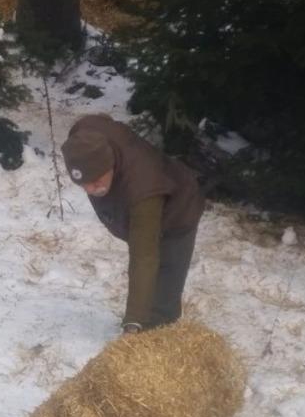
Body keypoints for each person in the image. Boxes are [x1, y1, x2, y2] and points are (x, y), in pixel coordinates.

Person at [61, 113, 204, 333]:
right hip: (137, 192)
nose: (90, 190)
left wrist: (133, 321)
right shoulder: (84, 139)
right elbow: (100, 120)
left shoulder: (143, 190)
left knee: (166, 275)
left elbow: (143, 257)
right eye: (83, 184)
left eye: (96, 181)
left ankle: (158, 330)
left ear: (110, 166)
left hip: (178, 209)